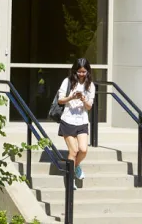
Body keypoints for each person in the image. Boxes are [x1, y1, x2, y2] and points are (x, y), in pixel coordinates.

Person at [57, 58, 95, 188]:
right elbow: (60, 100)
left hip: (82, 121)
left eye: (84, 72)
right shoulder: (67, 82)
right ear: (75, 71)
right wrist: (71, 97)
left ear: (88, 72)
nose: (81, 74)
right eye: (79, 71)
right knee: (73, 151)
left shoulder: (90, 85)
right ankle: (70, 177)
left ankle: (76, 166)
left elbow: (89, 107)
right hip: (67, 120)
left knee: (83, 150)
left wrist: (84, 99)